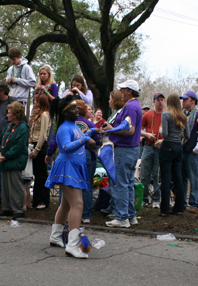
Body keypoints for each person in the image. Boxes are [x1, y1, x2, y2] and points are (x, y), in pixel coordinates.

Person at [46, 95, 97, 258]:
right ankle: (73, 245)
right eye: (73, 108)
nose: (77, 110)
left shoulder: (74, 126)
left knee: (66, 205)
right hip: (67, 167)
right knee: (78, 204)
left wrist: (91, 132)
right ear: (65, 112)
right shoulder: (63, 128)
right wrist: (86, 139)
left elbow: (79, 138)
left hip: (73, 167)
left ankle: (55, 237)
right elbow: (66, 148)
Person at [102, 79, 143, 228]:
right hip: (131, 149)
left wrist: (111, 129)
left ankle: (122, 217)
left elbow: (129, 129)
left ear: (129, 91)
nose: (121, 92)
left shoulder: (130, 107)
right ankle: (131, 216)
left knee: (121, 184)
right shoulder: (135, 105)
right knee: (129, 184)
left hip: (124, 149)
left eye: (123, 89)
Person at [0, 101, 29, 219]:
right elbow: (0, 140)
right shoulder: (8, 126)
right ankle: (7, 208)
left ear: (15, 114)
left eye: (9, 113)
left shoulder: (23, 127)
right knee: (5, 186)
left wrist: (6, 156)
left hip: (14, 161)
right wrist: (0, 152)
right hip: (4, 160)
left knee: (15, 185)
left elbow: (19, 146)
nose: (7, 115)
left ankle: (18, 209)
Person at [157, 93, 188, 216]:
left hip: (167, 146)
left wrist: (160, 130)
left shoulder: (166, 115)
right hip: (178, 147)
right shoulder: (183, 116)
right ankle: (179, 207)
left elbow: (164, 134)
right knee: (178, 178)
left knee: (165, 178)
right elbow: (187, 135)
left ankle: (164, 209)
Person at [140, 92, 165, 208]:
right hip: (148, 147)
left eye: (162, 100)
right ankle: (144, 198)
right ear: (154, 101)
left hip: (161, 148)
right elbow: (138, 129)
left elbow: (173, 133)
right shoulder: (147, 115)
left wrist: (162, 141)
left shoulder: (167, 115)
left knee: (157, 174)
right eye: (158, 100)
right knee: (145, 174)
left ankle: (156, 199)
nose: (160, 102)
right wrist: (147, 135)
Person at [29, 93, 52, 209]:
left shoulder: (44, 115)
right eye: (34, 101)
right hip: (33, 143)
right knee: (36, 174)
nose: (35, 104)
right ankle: (36, 200)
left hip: (41, 146)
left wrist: (37, 150)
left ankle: (44, 200)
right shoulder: (37, 115)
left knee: (42, 174)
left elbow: (43, 134)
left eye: (37, 101)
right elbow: (30, 126)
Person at [181, 91, 198, 213]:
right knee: (182, 177)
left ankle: (195, 203)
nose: (183, 102)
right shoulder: (182, 114)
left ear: (193, 101)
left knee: (194, 177)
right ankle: (182, 202)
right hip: (182, 149)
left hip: (193, 151)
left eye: (185, 99)